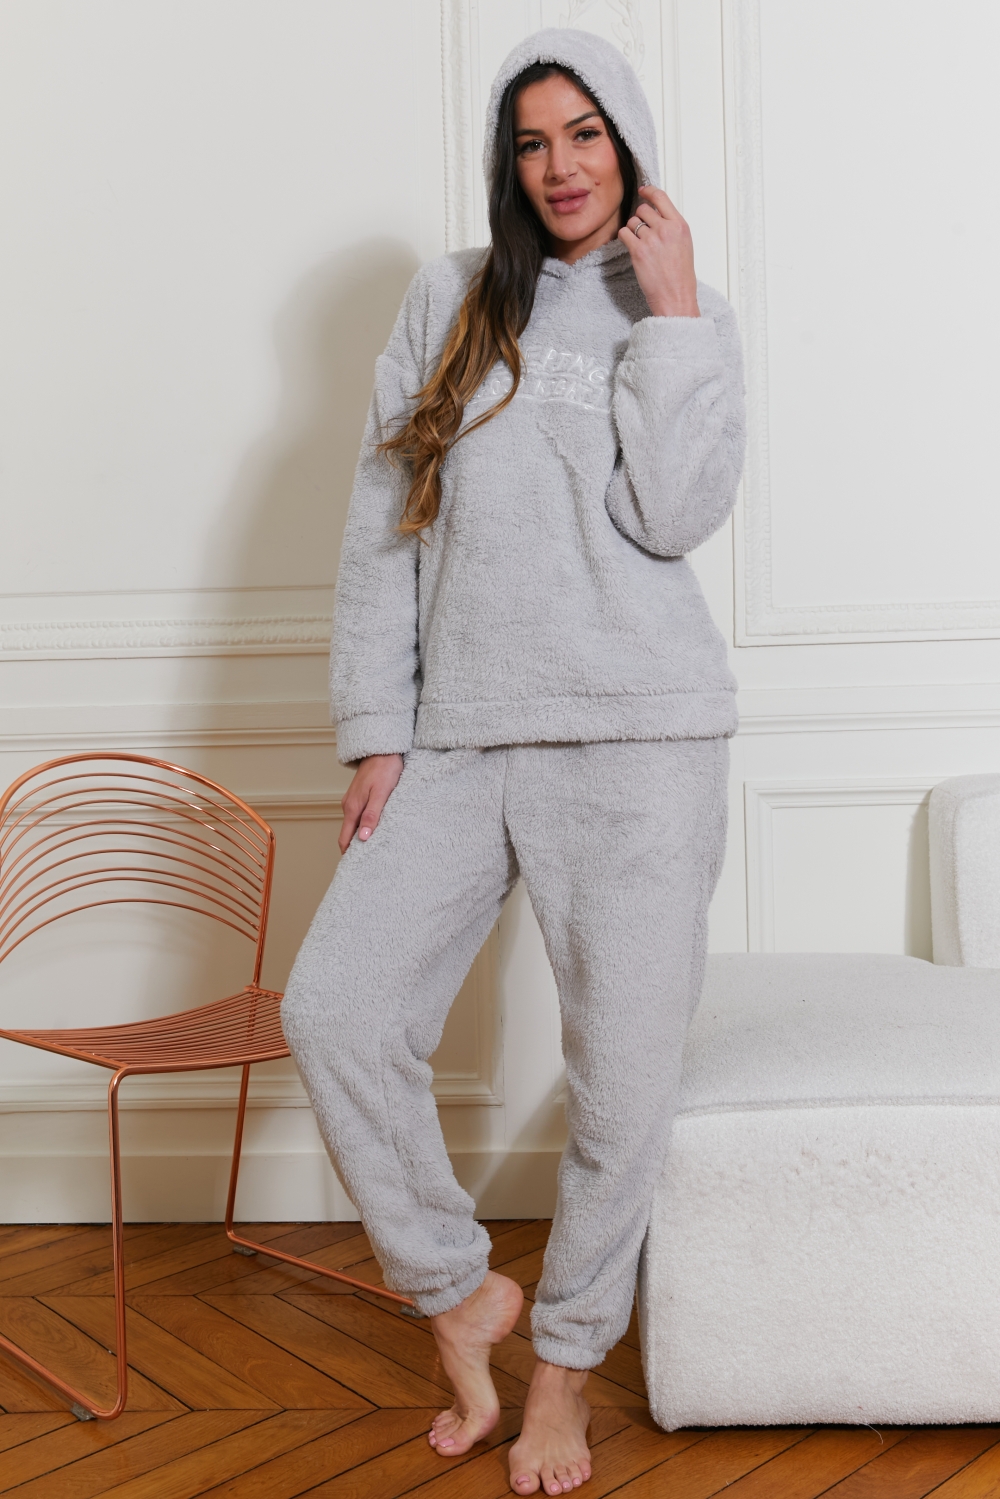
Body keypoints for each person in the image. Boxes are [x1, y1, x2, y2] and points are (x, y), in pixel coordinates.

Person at [280, 27, 745, 1498]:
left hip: (643, 736)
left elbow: (675, 516)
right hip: (463, 734)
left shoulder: (688, 311)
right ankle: (458, 1290)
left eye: (585, 135)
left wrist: (674, 319)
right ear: (507, 159)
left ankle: (564, 1375)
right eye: (533, 141)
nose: (560, 166)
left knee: (620, 1083)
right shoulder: (452, 299)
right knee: (338, 1009)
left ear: (630, 142)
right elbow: (383, 523)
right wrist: (376, 728)